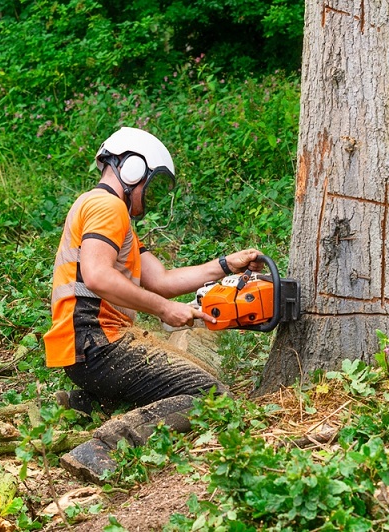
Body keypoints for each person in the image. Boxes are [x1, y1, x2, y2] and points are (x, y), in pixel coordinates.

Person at [43, 126, 262, 484]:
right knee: (209, 393)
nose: (150, 196)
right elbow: (97, 276)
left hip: (83, 350)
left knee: (171, 383)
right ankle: (103, 448)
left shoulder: (110, 214)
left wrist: (225, 265)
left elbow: (160, 280)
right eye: (152, 183)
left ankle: (87, 402)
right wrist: (162, 309)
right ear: (132, 169)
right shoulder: (107, 207)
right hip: (98, 345)